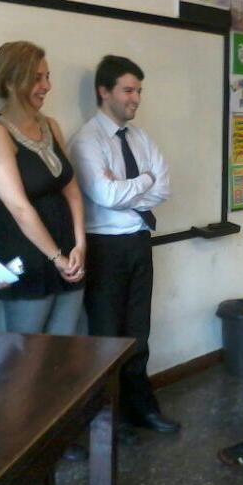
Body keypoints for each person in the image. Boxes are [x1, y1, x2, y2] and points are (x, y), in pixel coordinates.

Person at [70, 55, 179, 445]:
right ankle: (108, 420)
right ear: (104, 91)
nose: (136, 98)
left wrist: (136, 183)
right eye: (128, 90)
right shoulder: (87, 140)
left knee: (138, 333)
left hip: (138, 241)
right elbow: (106, 195)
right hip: (104, 248)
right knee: (106, 337)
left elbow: (164, 186)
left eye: (139, 91)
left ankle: (141, 407)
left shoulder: (140, 138)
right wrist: (144, 180)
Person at [0, 41, 85, 336]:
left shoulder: (51, 125)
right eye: (37, 78)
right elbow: (19, 207)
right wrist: (56, 257)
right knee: (28, 350)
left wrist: (80, 244)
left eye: (47, 77)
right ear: (12, 82)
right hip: (25, 252)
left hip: (67, 247)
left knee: (67, 342)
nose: (46, 86)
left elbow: (72, 189)